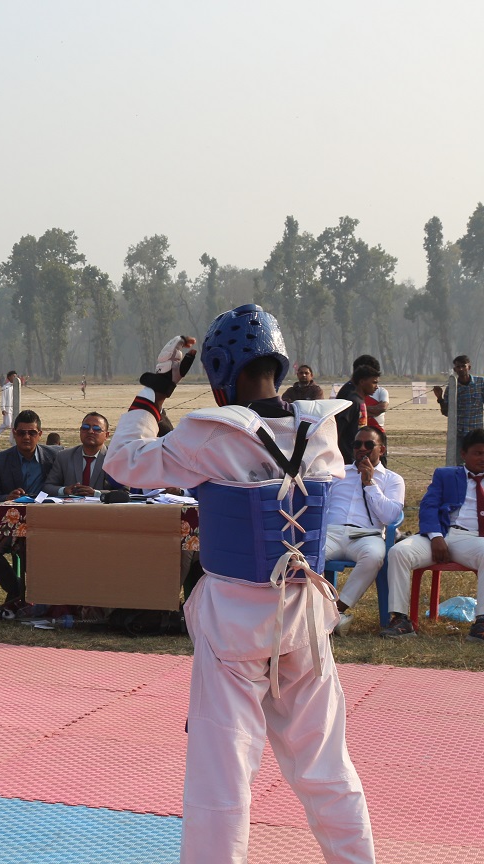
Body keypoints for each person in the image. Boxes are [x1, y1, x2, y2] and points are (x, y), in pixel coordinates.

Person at [103, 309, 374, 864]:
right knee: (328, 769)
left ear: (222, 368)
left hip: (233, 622)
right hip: (305, 617)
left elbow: (123, 462)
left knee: (221, 781)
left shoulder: (212, 432)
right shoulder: (323, 426)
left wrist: (154, 391)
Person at [382, 429, 484, 642]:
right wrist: (436, 536)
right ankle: (400, 620)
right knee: (399, 552)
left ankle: (481, 623)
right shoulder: (446, 475)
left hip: (475, 540)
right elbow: (429, 506)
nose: (483, 458)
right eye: (478, 453)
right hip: (441, 534)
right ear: (463, 454)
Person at [324, 427, 405, 636]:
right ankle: (313, 610)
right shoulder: (338, 473)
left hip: (367, 536)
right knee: (306, 557)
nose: (362, 449)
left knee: (374, 556)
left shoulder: (392, 479)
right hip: (332, 532)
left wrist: (370, 483)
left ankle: (336, 611)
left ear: (381, 449)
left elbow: (390, 517)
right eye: (357, 444)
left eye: (368, 444)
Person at [0, 409, 59, 611]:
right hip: (9, 525)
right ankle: (16, 592)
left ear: (40, 434)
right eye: (22, 432)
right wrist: (7, 498)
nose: (26, 437)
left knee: (31, 549)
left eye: (32, 433)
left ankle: (41, 597)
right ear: (14, 433)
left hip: (44, 524)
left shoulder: (55, 458)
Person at [43, 412, 123, 497]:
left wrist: (96, 493)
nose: (90, 431)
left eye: (96, 429)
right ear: (80, 431)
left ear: (106, 435)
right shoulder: (64, 457)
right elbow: (47, 487)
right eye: (85, 428)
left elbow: (125, 491)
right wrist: (64, 490)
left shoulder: (115, 459)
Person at [435, 355, 484, 466]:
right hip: (459, 433)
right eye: (458, 367)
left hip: (477, 432)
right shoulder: (452, 387)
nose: (461, 369)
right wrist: (440, 398)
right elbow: (446, 412)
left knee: (479, 460)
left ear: (469, 367)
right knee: (459, 462)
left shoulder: (480, 383)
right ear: (455, 369)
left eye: (463, 366)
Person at [0, 371, 17, 438]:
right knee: (8, 424)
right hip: (8, 408)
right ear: (9, 377)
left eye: (15, 376)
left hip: (15, 408)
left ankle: (12, 438)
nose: (15, 377)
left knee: (14, 424)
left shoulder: (16, 387)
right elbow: (3, 398)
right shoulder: (6, 387)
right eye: (13, 376)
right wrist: (3, 408)